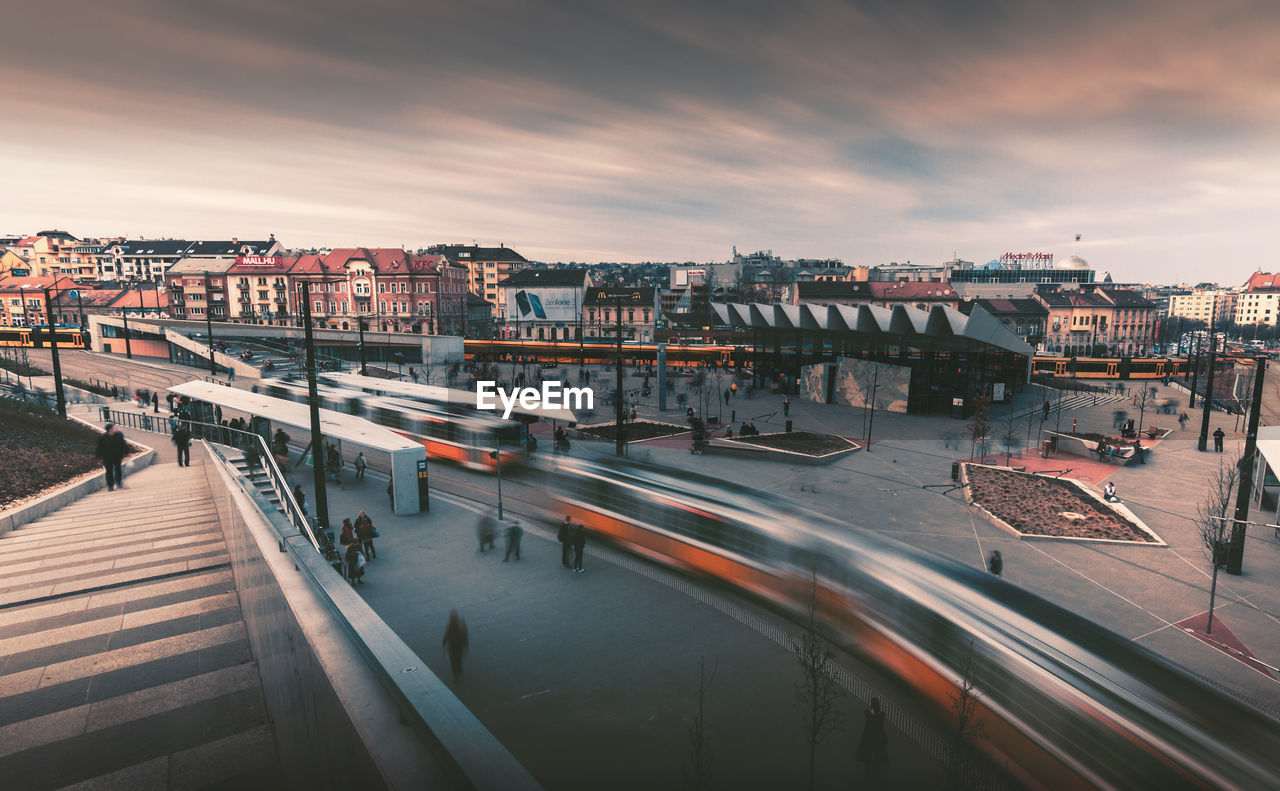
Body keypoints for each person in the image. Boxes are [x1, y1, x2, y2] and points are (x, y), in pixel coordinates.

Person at [856, 697, 889, 778]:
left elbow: (875, 717)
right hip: (873, 737)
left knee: (875, 756)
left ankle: (874, 772)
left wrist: (873, 710)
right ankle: (872, 772)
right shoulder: (871, 713)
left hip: (873, 737)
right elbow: (872, 716)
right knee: (871, 755)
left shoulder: (878, 714)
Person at [96, 423, 127, 491]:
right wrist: (98, 457)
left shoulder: (119, 435)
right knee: (109, 471)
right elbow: (99, 448)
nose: (115, 428)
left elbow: (123, 444)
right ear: (110, 429)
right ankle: (110, 485)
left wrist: (127, 452)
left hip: (117, 456)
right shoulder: (103, 437)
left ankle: (118, 482)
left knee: (118, 470)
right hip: (107, 457)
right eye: (114, 428)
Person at [442, 610, 469, 683]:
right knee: (458, 658)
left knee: (453, 661)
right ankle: (459, 668)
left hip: (452, 647)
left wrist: (444, 643)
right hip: (459, 647)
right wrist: (466, 645)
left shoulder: (449, 627)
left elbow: (446, 636)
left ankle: (455, 674)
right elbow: (465, 636)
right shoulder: (460, 626)